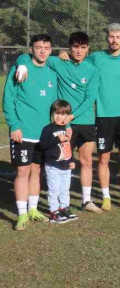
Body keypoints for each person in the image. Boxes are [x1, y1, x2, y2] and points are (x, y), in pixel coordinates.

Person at [14, 31, 101, 214]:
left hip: (83, 121)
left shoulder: (92, 70)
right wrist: (21, 64)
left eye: (83, 48)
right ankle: (60, 203)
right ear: (69, 48)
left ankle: (86, 200)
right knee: (58, 162)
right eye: (75, 47)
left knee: (86, 161)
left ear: (88, 49)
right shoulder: (58, 61)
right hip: (62, 122)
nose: (79, 51)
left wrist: (73, 116)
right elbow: (30, 55)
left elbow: (89, 98)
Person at [5, 34, 58, 230]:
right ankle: (21, 214)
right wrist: (14, 125)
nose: (42, 51)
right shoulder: (20, 70)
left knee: (37, 171)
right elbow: (8, 99)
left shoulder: (53, 72)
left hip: (44, 134)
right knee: (22, 171)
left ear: (50, 50)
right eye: (38, 47)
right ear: (31, 50)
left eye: (46, 47)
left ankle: (34, 209)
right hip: (23, 132)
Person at [88, 23, 120, 210]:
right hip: (103, 116)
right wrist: (63, 56)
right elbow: (76, 64)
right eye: (111, 36)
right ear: (107, 38)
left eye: (118, 37)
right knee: (103, 159)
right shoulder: (95, 58)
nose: (114, 40)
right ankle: (106, 196)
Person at [39, 100, 78, 224]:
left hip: (65, 165)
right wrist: (56, 139)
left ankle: (64, 208)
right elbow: (43, 145)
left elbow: (69, 146)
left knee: (65, 189)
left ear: (68, 116)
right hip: (53, 166)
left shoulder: (68, 129)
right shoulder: (48, 129)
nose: (58, 116)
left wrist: (72, 160)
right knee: (54, 190)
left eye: (62, 114)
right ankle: (54, 212)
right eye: (56, 113)